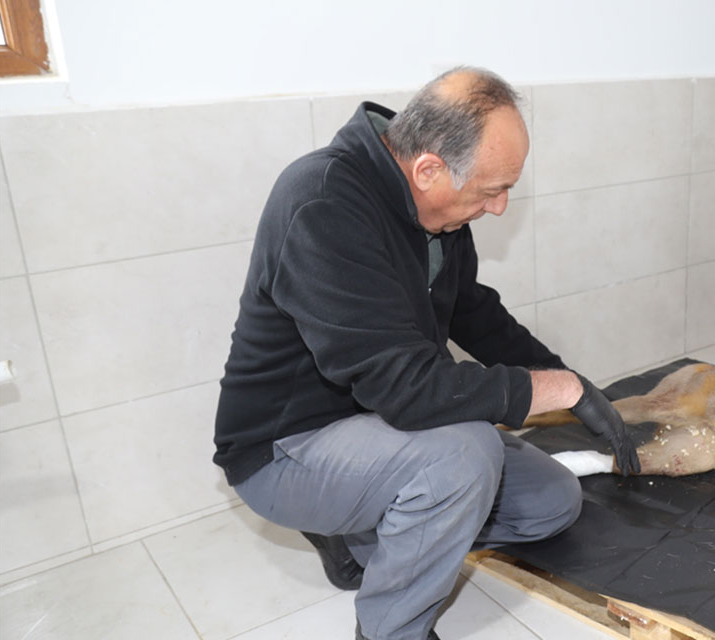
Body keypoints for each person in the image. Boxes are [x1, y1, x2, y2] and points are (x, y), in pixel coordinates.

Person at [213, 67, 640, 640]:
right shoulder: (322, 205)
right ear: (429, 169)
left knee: (551, 503)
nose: (501, 208)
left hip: (382, 424)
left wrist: (569, 378)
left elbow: (475, 313)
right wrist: (549, 393)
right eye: (492, 190)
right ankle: (390, 629)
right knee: (463, 457)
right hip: (289, 447)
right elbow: (407, 389)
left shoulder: (432, 208)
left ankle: (365, 532)